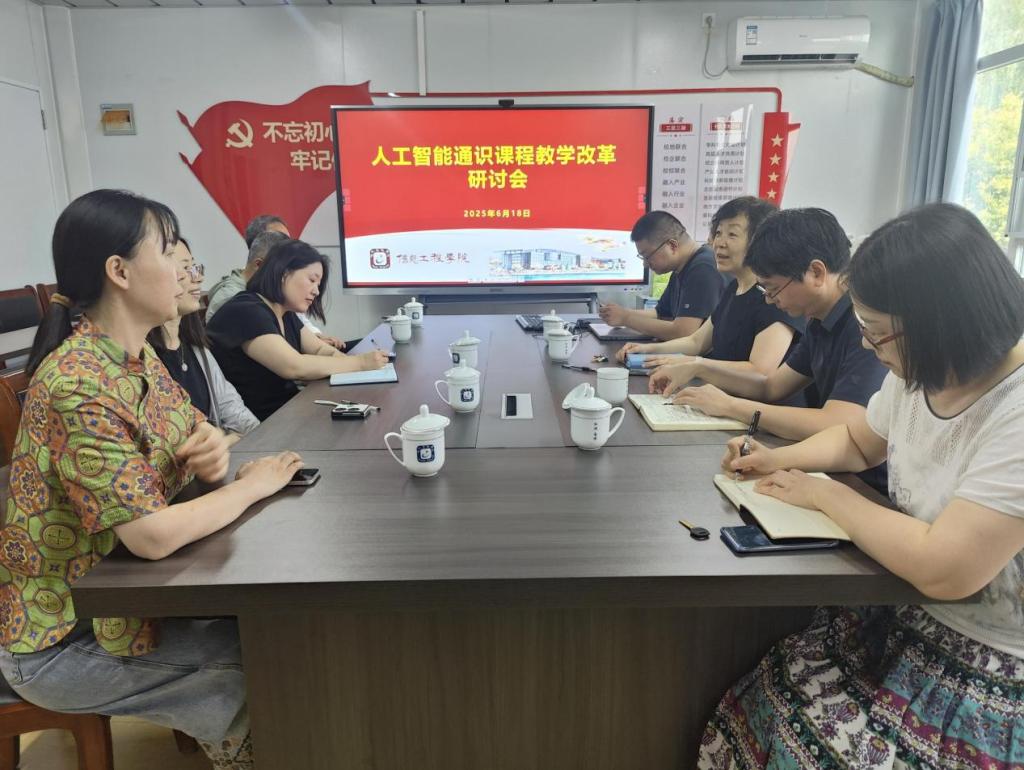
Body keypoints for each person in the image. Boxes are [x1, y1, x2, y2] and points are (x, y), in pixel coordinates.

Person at [698, 203, 1024, 769]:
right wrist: (773, 460)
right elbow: (857, 440)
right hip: (901, 608)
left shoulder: (1012, 407)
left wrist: (825, 493)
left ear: (939, 322)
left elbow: (946, 569)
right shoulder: (923, 372)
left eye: (875, 332)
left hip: (985, 654)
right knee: (755, 702)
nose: (869, 348)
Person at [0, 189, 306, 770]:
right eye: (168, 253)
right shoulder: (78, 382)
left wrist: (211, 453)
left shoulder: (135, 358)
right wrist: (250, 485)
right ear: (119, 272)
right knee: (260, 672)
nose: (183, 271)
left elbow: (200, 435)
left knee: (278, 640)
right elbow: (151, 536)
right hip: (62, 641)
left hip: (129, 605)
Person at [650, 208, 887, 443]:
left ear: (816, 272)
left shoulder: (866, 323)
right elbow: (771, 386)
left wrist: (731, 406)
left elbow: (839, 423)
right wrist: (697, 368)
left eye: (773, 289)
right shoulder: (818, 319)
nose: (769, 300)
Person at [616, 196, 803, 377]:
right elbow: (696, 342)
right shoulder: (735, 288)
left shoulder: (776, 296)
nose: (719, 243)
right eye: (718, 233)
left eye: (732, 234)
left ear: (759, 240)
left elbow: (760, 371)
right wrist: (647, 349)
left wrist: (695, 365)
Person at [207, 238, 388, 421]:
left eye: (318, 284)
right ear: (283, 273)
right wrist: (360, 363)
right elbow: (294, 366)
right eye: (312, 280)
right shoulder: (246, 310)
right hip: (261, 425)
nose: (316, 291)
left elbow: (319, 349)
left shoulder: (284, 312)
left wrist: (354, 365)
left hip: (288, 410)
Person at [147, 237, 259, 443]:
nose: (197, 278)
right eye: (184, 268)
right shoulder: (143, 356)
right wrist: (227, 440)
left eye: (194, 267)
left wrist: (254, 438)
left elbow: (235, 412)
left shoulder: (195, 348)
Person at [598, 210, 725, 340]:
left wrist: (626, 319)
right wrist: (621, 313)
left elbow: (683, 332)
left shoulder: (703, 268)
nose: (645, 264)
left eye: (647, 256)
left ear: (672, 246)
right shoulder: (680, 269)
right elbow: (660, 313)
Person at [205, 229, 287, 321]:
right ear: (258, 264)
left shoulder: (260, 292)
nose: (286, 276)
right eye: (283, 269)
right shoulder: (231, 298)